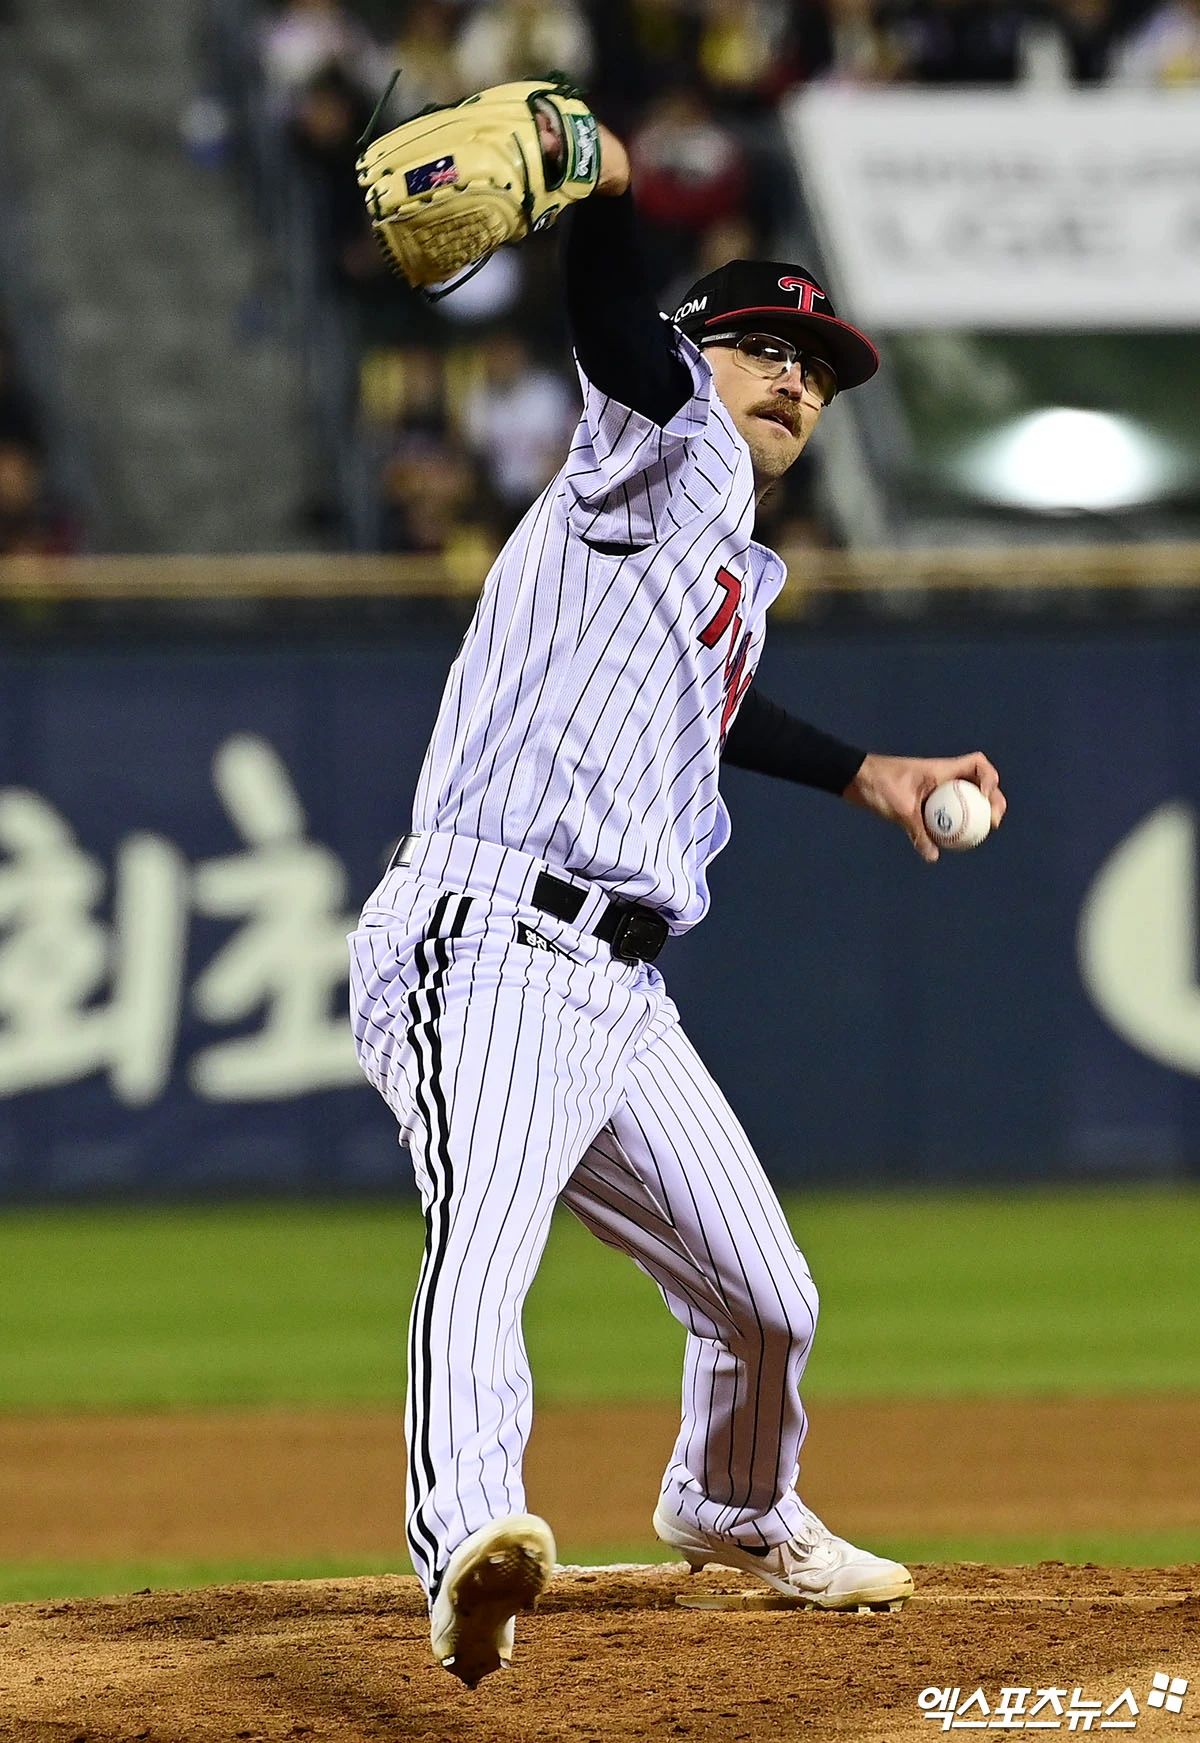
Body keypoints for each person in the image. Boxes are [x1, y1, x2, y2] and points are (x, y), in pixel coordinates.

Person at [348, 119, 1006, 1690]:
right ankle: (468, 1535)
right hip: (485, 938)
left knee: (768, 1301)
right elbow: (611, 327)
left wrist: (870, 774)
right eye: (767, 347)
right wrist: (614, 187)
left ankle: (732, 1501)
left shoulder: (713, 546)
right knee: (485, 1238)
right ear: (696, 353)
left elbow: (721, 707)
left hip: (621, 985)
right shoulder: (661, 438)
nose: (796, 381)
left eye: (818, 369)